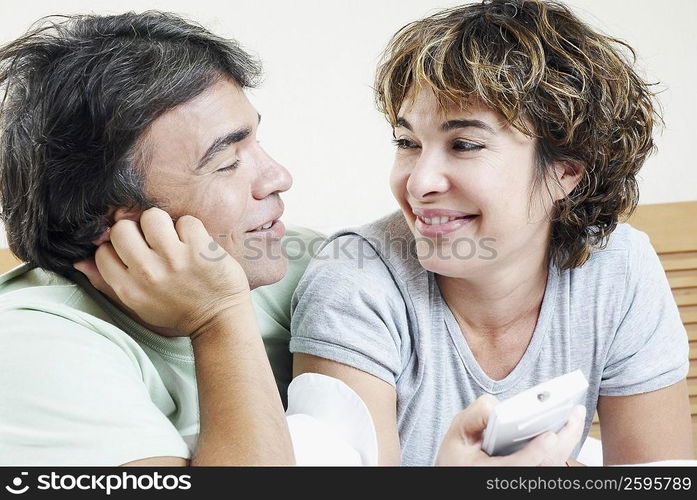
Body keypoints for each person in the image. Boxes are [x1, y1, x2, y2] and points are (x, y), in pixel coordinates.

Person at [290, 0, 694, 465]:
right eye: (408, 143)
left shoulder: (618, 269)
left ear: (566, 171)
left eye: (464, 144)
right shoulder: (356, 280)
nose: (420, 183)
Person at [0, 11, 309, 466]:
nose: (279, 177)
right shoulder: (30, 350)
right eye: (226, 163)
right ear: (117, 223)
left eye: (257, 143)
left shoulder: (310, 266)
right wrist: (218, 318)